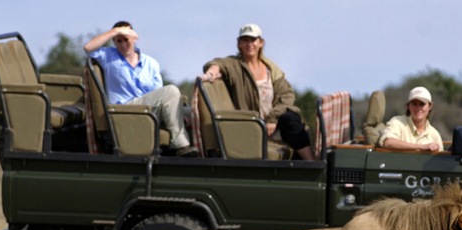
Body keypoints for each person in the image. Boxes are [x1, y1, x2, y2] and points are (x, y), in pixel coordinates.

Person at [200, 23, 315, 161]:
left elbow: (287, 95)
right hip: (252, 126)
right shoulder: (235, 65)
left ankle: (312, 164)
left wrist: (273, 119)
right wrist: (212, 72)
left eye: (253, 40)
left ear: (260, 43)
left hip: (275, 124)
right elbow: (218, 64)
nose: (249, 44)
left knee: (292, 119)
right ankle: (312, 167)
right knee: (293, 124)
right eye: (245, 40)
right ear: (239, 44)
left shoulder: (271, 69)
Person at [83, 21, 197, 157]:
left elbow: (159, 95)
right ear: (114, 41)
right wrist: (115, 31)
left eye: (126, 40)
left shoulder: (151, 63)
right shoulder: (107, 56)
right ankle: (181, 146)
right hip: (124, 110)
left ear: (133, 38)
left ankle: (204, 153)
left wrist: (177, 111)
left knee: (191, 111)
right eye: (118, 41)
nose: (123, 45)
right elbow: (88, 48)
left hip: (148, 110)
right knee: (171, 90)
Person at [378, 86, 444, 151]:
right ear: (408, 106)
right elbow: (388, 143)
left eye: (422, 104)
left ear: (430, 106)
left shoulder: (435, 135)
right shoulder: (397, 122)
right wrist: (421, 147)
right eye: (414, 104)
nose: (418, 108)